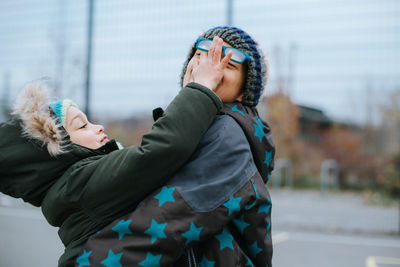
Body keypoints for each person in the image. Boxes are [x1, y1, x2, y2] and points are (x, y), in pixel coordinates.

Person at [0, 37, 233, 267]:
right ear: (57, 151)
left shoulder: (71, 186)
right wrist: (200, 89)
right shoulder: (79, 184)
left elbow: (163, 168)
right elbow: (158, 153)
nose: (98, 126)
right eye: (82, 125)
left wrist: (188, 95)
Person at [79, 26, 275, 267]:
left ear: (244, 93)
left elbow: (170, 218)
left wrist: (93, 259)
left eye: (228, 63)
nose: (210, 66)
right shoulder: (201, 126)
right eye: (202, 55)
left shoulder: (227, 133)